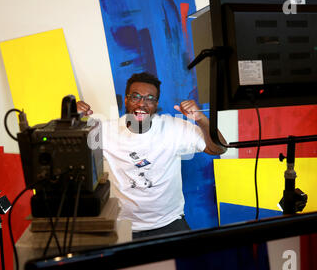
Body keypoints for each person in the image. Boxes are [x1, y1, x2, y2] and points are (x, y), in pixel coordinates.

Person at [77, 72, 227, 239]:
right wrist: (72, 121)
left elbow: (218, 149)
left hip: (169, 223)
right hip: (123, 225)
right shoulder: (105, 131)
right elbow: (68, 157)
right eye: (135, 97)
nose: (142, 103)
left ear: (156, 104)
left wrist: (200, 118)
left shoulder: (173, 128)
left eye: (149, 98)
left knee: (188, 264)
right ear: (126, 100)